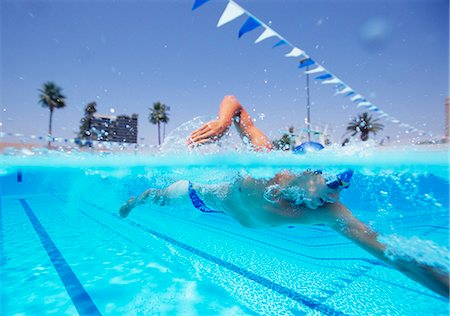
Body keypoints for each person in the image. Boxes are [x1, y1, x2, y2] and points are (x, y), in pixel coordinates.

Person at [120, 95, 449, 298]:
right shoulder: (266, 163)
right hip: (203, 196)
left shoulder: (328, 212)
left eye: (340, 191)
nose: (334, 198)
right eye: (332, 186)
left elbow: (394, 257)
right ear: (311, 172)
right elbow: (234, 103)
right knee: (159, 197)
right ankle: (138, 199)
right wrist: (223, 123)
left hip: (225, 210)